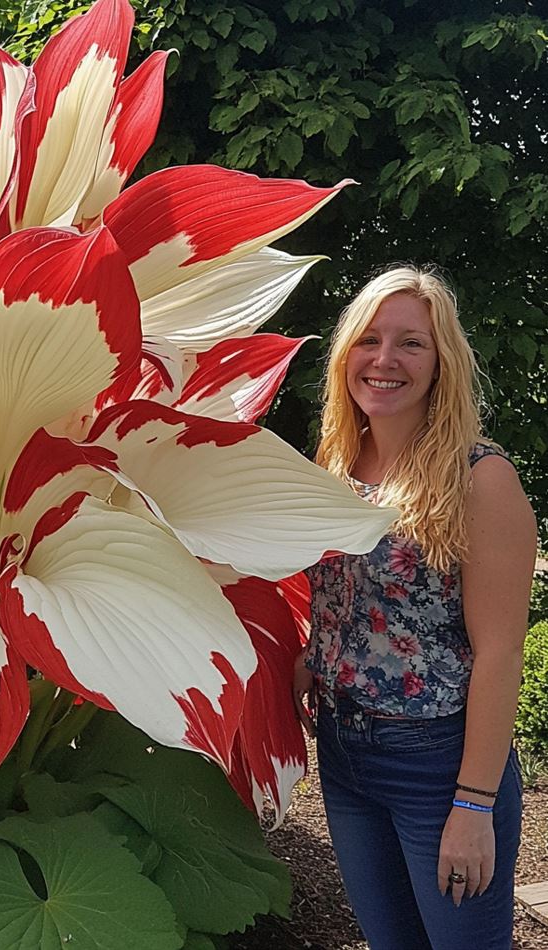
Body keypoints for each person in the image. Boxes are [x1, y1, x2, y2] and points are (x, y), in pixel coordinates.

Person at [292, 266, 537, 949]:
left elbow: (499, 653)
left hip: (436, 763)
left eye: (410, 344)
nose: (384, 359)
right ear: (346, 357)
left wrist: (472, 804)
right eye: (368, 340)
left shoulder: (479, 479)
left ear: (441, 365)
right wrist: (307, 656)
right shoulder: (335, 463)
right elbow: (337, 596)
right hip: (344, 755)